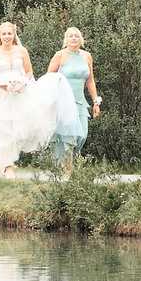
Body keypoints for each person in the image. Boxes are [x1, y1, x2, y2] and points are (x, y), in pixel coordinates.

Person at [0, 22, 52, 176]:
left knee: (20, 126)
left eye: (9, 34)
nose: (7, 37)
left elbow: (29, 71)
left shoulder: (21, 51)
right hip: (0, 93)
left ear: (14, 35)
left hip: (20, 92)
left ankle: (11, 160)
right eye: (4, 34)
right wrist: (2, 85)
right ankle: (8, 167)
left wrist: (23, 83)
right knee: (4, 127)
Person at [43, 28, 102, 178]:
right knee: (68, 137)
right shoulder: (60, 56)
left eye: (76, 36)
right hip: (64, 101)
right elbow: (49, 78)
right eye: (71, 36)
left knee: (82, 136)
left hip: (80, 101)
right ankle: (65, 170)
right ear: (66, 39)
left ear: (80, 39)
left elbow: (90, 80)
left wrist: (96, 101)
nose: (74, 39)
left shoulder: (87, 56)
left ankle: (65, 165)